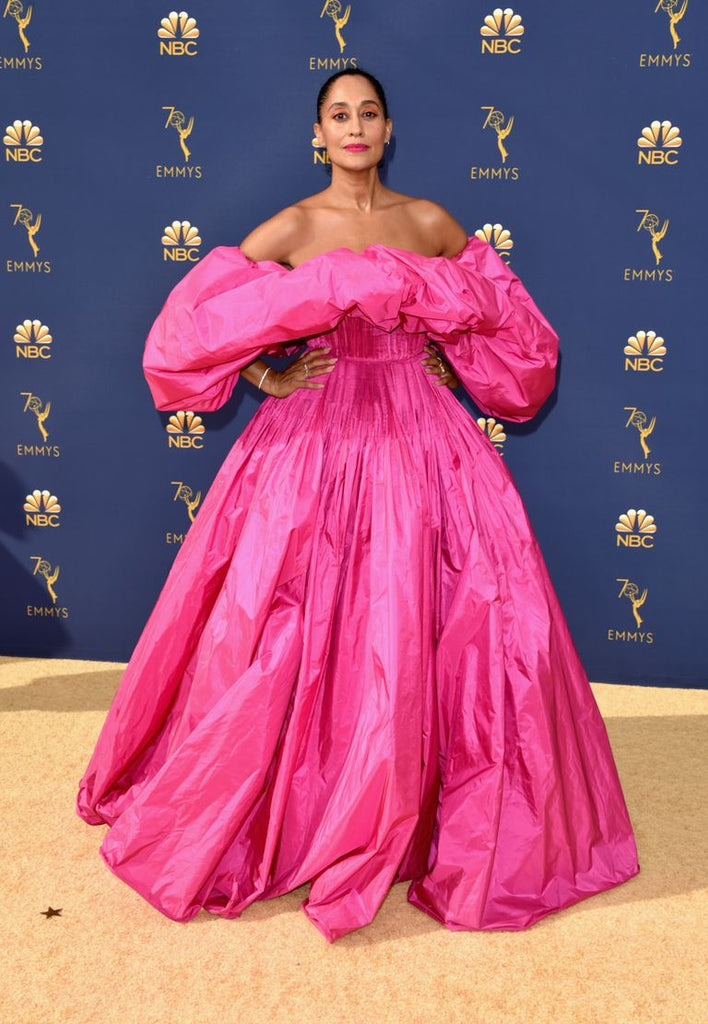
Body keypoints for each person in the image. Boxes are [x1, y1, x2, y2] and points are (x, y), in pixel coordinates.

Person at [76, 68, 640, 942]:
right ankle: (310, 810)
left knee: (446, 622)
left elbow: (518, 331)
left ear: (387, 129)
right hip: (314, 447)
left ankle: (420, 809)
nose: (353, 125)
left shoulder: (430, 222)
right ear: (317, 134)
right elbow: (187, 330)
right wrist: (266, 372)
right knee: (288, 626)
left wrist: (456, 366)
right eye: (337, 113)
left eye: (367, 112)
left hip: (425, 443)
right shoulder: (294, 225)